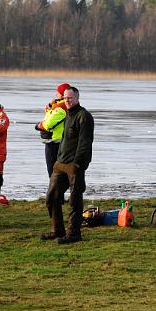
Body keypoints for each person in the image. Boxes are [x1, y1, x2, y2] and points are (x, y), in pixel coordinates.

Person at [42, 86, 94, 244]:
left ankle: (74, 234)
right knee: (52, 198)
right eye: (65, 98)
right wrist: (58, 159)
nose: (68, 101)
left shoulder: (84, 116)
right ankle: (57, 230)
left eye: (70, 98)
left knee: (74, 201)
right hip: (60, 163)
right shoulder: (67, 115)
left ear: (77, 98)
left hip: (74, 165)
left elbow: (85, 143)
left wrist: (78, 163)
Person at [35, 82, 69, 177]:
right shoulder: (60, 106)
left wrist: (38, 126)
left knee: (53, 173)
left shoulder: (61, 108)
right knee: (58, 172)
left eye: (58, 92)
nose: (56, 94)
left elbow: (48, 124)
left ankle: (55, 191)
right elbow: (50, 114)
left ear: (62, 94)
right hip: (58, 142)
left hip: (54, 143)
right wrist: (50, 106)